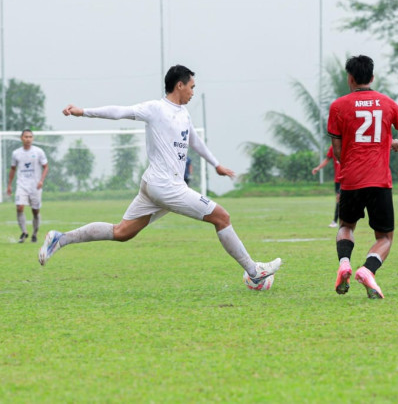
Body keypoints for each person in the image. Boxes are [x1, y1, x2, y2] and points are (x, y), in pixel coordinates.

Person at [39, 65, 281, 288]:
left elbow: (194, 141)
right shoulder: (156, 109)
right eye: (192, 87)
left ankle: (60, 239)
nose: (193, 92)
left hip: (154, 187)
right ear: (180, 85)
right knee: (222, 217)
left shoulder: (183, 114)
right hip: (167, 187)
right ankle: (253, 271)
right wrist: (83, 112)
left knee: (122, 232)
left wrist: (216, 165)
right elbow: (120, 112)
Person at [328, 54, 398, 299]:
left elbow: (337, 151)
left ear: (350, 78)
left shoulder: (338, 106)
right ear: (372, 77)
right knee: (385, 236)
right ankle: (367, 269)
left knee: (346, 225)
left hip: (351, 179)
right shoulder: (388, 104)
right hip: (380, 180)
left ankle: (344, 262)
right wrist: (396, 145)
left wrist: (352, 166)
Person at [8, 129, 49, 243]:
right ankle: (24, 232)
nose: (28, 139)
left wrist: (41, 181)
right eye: (26, 137)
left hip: (35, 186)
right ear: (21, 138)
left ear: (33, 138)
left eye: (30, 137)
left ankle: (35, 234)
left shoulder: (39, 152)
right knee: (19, 207)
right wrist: (9, 185)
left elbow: (46, 166)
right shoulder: (16, 153)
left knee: (35, 211)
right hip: (21, 185)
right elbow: (12, 169)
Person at [312, 145, 342, 228]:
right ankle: (335, 221)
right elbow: (327, 159)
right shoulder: (333, 147)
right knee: (339, 198)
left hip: (350, 177)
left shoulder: (350, 143)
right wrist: (318, 168)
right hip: (338, 179)